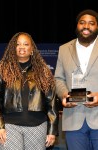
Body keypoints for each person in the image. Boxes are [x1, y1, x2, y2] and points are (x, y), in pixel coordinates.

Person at [0, 32, 58, 150]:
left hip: (38, 127)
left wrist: (52, 130)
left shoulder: (43, 72)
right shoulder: (1, 71)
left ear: (32, 49)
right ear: (13, 48)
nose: (22, 47)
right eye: (18, 44)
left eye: (26, 44)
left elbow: (51, 103)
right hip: (8, 127)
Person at [54, 9, 98, 150]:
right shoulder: (64, 49)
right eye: (82, 23)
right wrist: (64, 95)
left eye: (91, 23)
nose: (86, 26)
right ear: (77, 25)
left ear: (97, 26)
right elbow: (58, 78)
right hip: (73, 118)